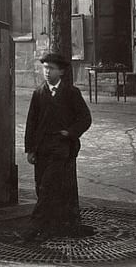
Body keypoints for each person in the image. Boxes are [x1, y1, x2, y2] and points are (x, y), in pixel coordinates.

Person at [23, 52, 92, 242]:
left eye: (51, 68)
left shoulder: (71, 93)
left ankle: (35, 227)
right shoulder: (38, 93)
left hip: (62, 149)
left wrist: (70, 133)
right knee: (42, 186)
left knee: (48, 186)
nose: (47, 72)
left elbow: (85, 118)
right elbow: (31, 123)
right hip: (42, 148)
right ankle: (53, 226)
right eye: (45, 68)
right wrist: (30, 149)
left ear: (61, 71)